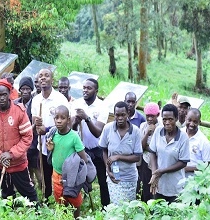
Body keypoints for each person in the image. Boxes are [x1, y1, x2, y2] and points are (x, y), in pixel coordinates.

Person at [0, 79, 38, 203]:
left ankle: (37, 214)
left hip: (18, 164)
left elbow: (27, 137)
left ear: (10, 93)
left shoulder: (19, 111)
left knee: (29, 194)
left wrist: (11, 154)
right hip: (0, 164)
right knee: (6, 195)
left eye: (4, 95)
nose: (2, 98)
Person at [71, 78, 110, 207]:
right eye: (84, 88)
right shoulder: (76, 104)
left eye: (89, 88)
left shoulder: (102, 106)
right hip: (82, 148)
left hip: (98, 149)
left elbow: (98, 132)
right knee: (82, 179)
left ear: (96, 91)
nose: (85, 90)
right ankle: (83, 204)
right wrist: (76, 121)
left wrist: (87, 118)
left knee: (103, 181)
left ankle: (106, 207)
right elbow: (71, 129)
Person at [32, 68, 69, 200]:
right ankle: (46, 199)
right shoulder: (36, 100)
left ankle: (64, 200)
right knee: (45, 174)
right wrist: (37, 124)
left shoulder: (60, 99)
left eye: (46, 76)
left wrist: (46, 130)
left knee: (60, 174)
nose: (43, 78)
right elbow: (34, 120)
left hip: (59, 145)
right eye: (40, 76)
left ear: (52, 80)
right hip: (42, 146)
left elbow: (66, 124)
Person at [46, 105, 88, 218]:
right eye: (56, 118)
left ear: (68, 119)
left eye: (62, 118)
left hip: (71, 176)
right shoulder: (53, 133)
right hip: (57, 173)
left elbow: (83, 158)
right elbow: (51, 150)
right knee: (60, 199)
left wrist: (81, 174)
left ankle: (76, 217)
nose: (59, 121)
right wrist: (50, 148)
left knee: (74, 200)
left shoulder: (74, 136)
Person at [99, 101, 142, 205]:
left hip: (129, 177)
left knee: (129, 207)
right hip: (114, 176)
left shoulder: (135, 131)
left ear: (128, 113)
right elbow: (104, 150)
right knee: (116, 207)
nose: (120, 118)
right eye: (117, 115)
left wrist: (118, 157)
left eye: (123, 115)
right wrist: (108, 170)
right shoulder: (108, 128)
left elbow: (137, 157)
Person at [149, 103, 190, 203]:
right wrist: (155, 173)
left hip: (175, 186)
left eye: (170, 119)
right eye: (164, 119)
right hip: (159, 184)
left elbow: (183, 162)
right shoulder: (158, 131)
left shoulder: (183, 137)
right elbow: (152, 152)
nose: (167, 122)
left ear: (176, 119)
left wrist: (161, 171)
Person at [14, 76, 42, 189]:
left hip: (34, 142)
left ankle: (43, 190)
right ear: (19, 90)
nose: (25, 92)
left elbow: (36, 125)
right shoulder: (16, 103)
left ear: (31, 90)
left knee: (38, 170)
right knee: (27, 169)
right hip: (20, 142)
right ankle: (32, 188)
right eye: (23, 89)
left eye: (28, 89)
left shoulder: (36, 102)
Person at [138, 102, 161, 202]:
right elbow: (140, 147)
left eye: (152, 116)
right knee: (145, 187)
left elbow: (157, 149)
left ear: (158, 115)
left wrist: (148, 147)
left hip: (157, 163)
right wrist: (147, 132)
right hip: (145, 160)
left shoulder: (161, 128)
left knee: (155, 187)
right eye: (148, 116)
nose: (150, 119)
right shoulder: (143, 126)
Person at [182, 109, 210, 178]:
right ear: (185, 118)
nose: (191, 124)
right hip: (176, 176)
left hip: (194, 180)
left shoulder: (204, 142)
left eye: (195, 122)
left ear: (199, 122)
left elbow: (206, 165)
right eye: (189, 120)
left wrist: (187, 169)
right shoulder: (178, 134)